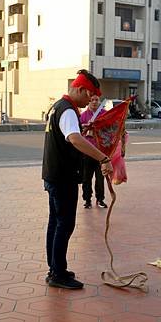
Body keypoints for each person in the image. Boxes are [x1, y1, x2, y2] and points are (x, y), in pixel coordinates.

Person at [42, 69, 113, 290]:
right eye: (89, 96)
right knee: (64, 224)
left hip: (53, 174)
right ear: (81, 90)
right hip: (63, 177)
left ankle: (55, 268)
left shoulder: (57, 108)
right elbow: (74, 138)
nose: (90, 101)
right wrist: (103, 158)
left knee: (55, 223)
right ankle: (58, 274)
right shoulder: (69, 111)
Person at [80, 94, 107, 209]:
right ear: (89, 102)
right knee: (86, 177)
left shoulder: (104, 114)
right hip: (86, 152)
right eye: (92, 100)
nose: (94, 102)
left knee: (100, 178)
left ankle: (100, 199)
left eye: (97, 100)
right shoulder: (83, 115)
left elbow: (110, 128)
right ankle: (87, 199)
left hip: (100, 152)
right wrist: (85, 126)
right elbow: (78, 130)